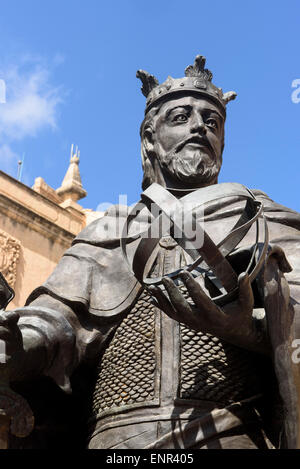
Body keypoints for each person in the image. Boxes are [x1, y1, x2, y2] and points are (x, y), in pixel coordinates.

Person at [1, 55, 300, 449]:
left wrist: (250, 330)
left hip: (232, 436)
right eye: (181, 117)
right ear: (149, 138)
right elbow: (53, 325)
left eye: (212, 122)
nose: (199, 127)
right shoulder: (109, 230)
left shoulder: (263, 219)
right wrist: (14, 344)